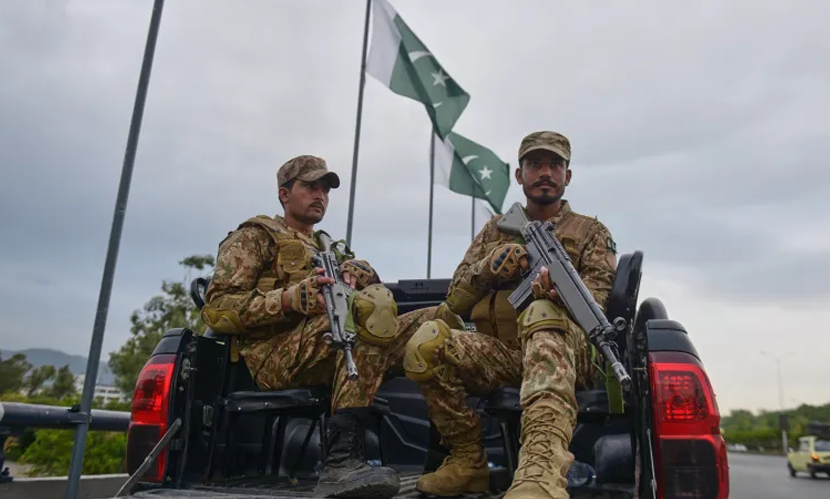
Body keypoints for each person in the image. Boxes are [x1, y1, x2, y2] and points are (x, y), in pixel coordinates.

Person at [200, 154, 455, 498]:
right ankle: (340, 463)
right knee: (362, 322)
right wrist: (289, 299)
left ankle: (448, 455)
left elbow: (373, 303)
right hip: (273, 355)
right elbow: (217, 310)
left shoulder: (327, 247)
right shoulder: (255, 237)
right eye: (310, 186)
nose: (320, 195)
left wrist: (362, 271)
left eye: (325, 188)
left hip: (332, 341)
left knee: (435, 323)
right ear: (284, 194)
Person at [403, 131, 619, 498]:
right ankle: (467, 460)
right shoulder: (496, 230)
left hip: (568, 352)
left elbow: (595, 303)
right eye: (535, 164)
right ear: (519, 176)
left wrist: (555, 294)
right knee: (427, 344)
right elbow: (456, 294)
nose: (545, 173)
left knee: (543, 313)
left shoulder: (591, 233)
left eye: (555, 165)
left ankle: (541, 475)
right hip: (505, 353)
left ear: (568, 176)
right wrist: (489, 267)